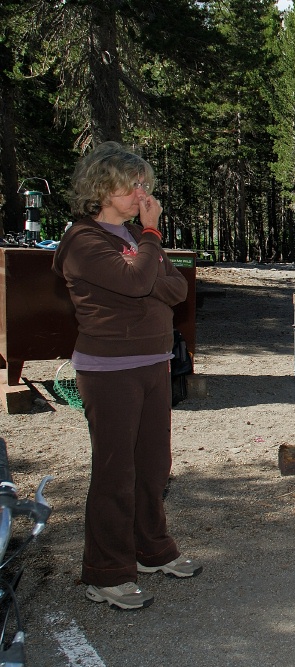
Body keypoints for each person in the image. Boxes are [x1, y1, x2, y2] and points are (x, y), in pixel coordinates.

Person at [53, 142, 202, 610]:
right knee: (115, 471)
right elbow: (140, 283)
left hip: (153, 362)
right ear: (102, 186)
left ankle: (151, 550)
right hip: (109, 370)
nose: (142, 192)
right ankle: (106, 571)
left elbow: (175, 288)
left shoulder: (134, 241)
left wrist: (146, 257)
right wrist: (151, 240)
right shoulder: (83, 239)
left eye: (145, 185)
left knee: (154, 465)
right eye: (132, 184)